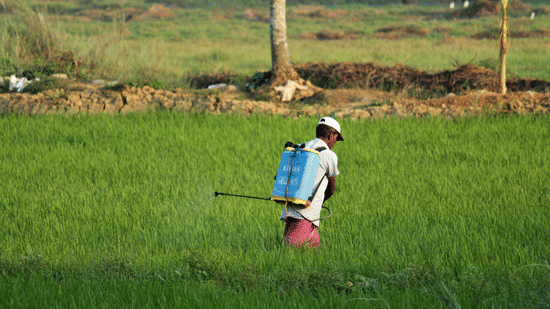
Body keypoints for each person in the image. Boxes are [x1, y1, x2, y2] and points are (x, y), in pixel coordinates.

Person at [280, 117, 344, 248]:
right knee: (295, 253)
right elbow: (331, 189)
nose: (335, 142)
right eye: (336, 138)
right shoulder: (329, 155)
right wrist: (319, 204)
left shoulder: (302, 147)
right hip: (306, 213)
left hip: (291, 208)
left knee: (314, 252)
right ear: (330, 135)